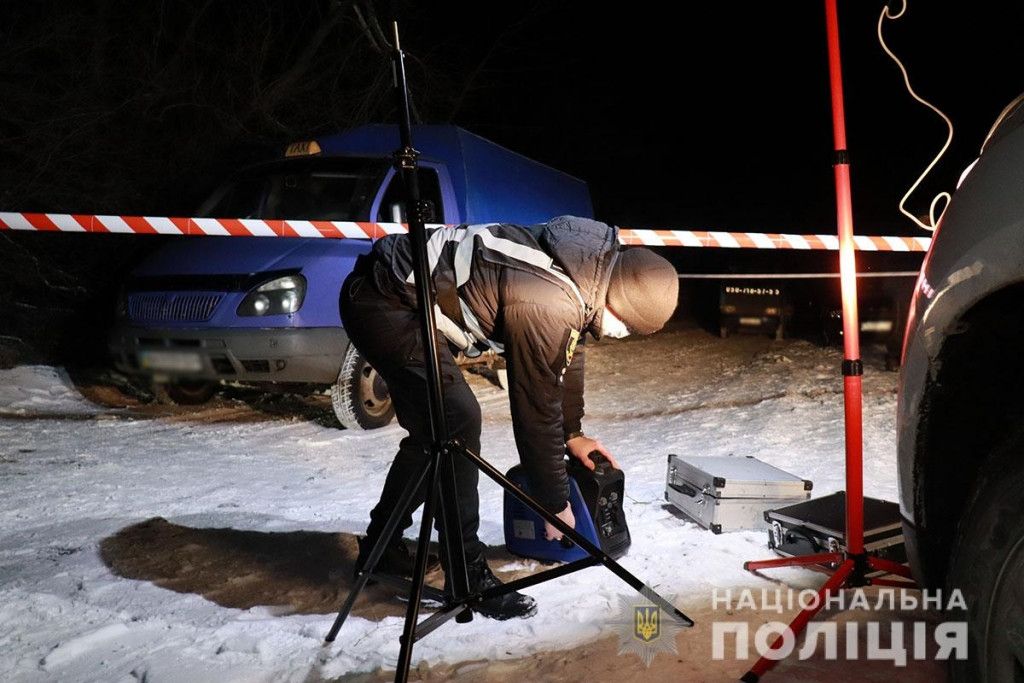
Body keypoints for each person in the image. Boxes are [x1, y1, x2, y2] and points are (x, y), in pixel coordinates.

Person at [340, 215, 678, 620]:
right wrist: (553, 503)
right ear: (618, 301)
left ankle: (381, 548)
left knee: (433, 433)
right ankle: (467, 577)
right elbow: (535, 406)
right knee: (456, 424)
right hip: (384, 300)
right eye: (625, 327)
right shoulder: (548, 298)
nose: (620, 335)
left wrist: (573, 433)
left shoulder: (586, 269)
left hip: (398, 293)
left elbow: (566, 354)